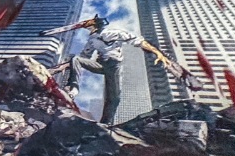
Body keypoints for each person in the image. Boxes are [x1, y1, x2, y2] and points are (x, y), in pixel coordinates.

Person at [41, 15, 192, 125]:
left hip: (114, 67)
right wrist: (59, 69)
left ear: (95, 24)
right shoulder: (91, 41)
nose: (87, 26)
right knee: (76, 59)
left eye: (90, 24)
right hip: (101, 65)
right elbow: (82, 58)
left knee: (114, 98)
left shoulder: (113, 33)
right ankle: (73, 88)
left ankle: (106, 124)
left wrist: (157, 52)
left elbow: (137, 40)